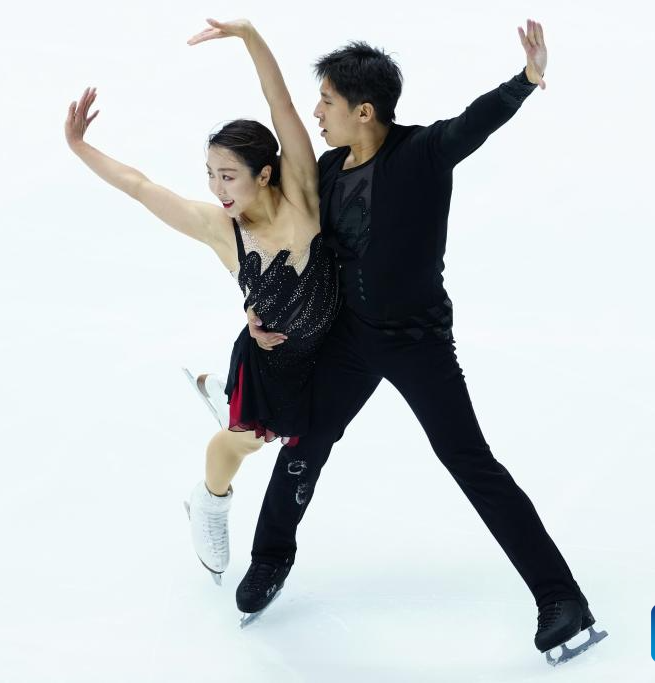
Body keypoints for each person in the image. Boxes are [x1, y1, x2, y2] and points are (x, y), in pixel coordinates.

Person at [235, 19, 606, 663]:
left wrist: (526, 79)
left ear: (364, 111)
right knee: (307, 440)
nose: (318, 113)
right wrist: (256, 306)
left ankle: (560, 598)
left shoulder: (422, 153)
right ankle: (270, 558)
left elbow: (474, 122)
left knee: (469, 461)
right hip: (349, 337)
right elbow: (285, 236)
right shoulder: (328, 169)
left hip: (417, 342)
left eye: (328, 101)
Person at [64, 19, 339, 585]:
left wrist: (250, 36)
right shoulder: (221, 230)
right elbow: (141, 187)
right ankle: (209, 502)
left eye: (229, 176)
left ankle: (220, 393)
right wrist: (80, 146)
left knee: (297, 433)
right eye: (211, 175)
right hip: (270, 364)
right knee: (243, 443)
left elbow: (281, 104)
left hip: (329, 349)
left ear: (266, 173)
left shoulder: (303, 194)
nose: (217, 189)